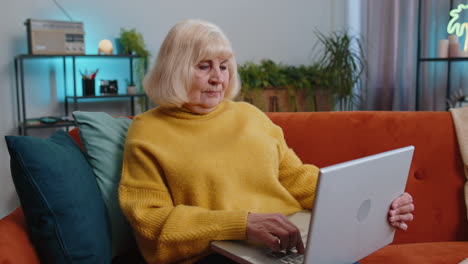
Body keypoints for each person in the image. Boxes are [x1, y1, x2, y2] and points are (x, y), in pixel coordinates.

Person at [118, 19, 414, 264]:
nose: (218, 78)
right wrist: (242, 225)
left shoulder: (250, 115)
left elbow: (295, 177)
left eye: (224, 66)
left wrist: (374, 200)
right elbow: (151, 223)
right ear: (174, 69)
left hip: (288, 239)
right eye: (203, 66)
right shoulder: (148, 130)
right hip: (216, 253)